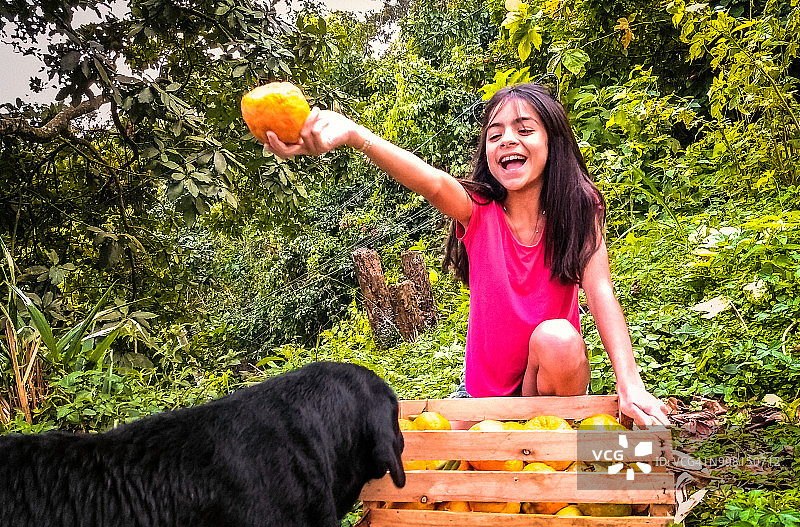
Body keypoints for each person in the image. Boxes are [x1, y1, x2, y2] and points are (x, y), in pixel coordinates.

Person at [263, 83, 670, 428]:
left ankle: (556, 442)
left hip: (546, 388)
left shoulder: (579, 209)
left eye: (524, 129)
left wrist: (629, 382)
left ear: (553, 141)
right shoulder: (476, 210)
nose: (507, 139)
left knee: (559, 338)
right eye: (495, 134)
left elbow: (600, 291)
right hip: (481, 399)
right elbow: (432, 181)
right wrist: (355, 135)